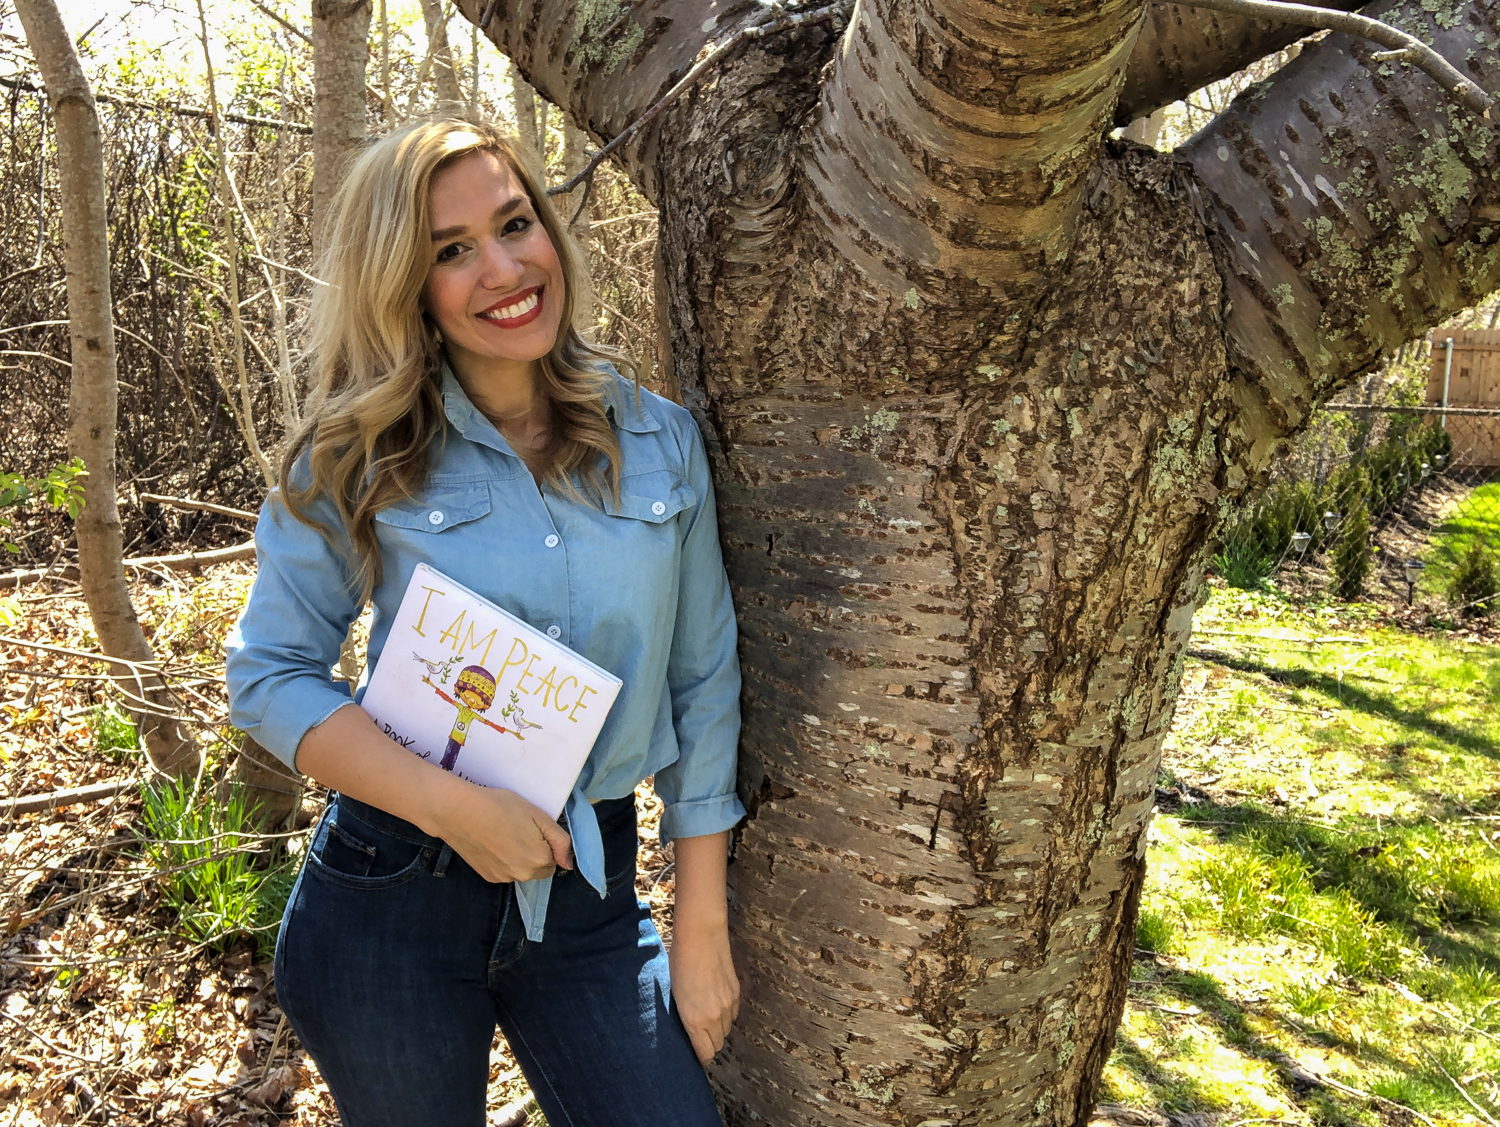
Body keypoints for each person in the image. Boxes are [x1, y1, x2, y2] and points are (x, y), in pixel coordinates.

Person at [225, 118, 745, 1127]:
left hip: (588, 895)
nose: (503, 266)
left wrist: (702, 918)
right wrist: (452, 806)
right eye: (450, 250)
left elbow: (704, 680)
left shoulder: (660, 438)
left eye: (515, 223)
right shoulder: (356, 452)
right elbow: (271, 673)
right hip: (389, 900)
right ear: (405, 284)